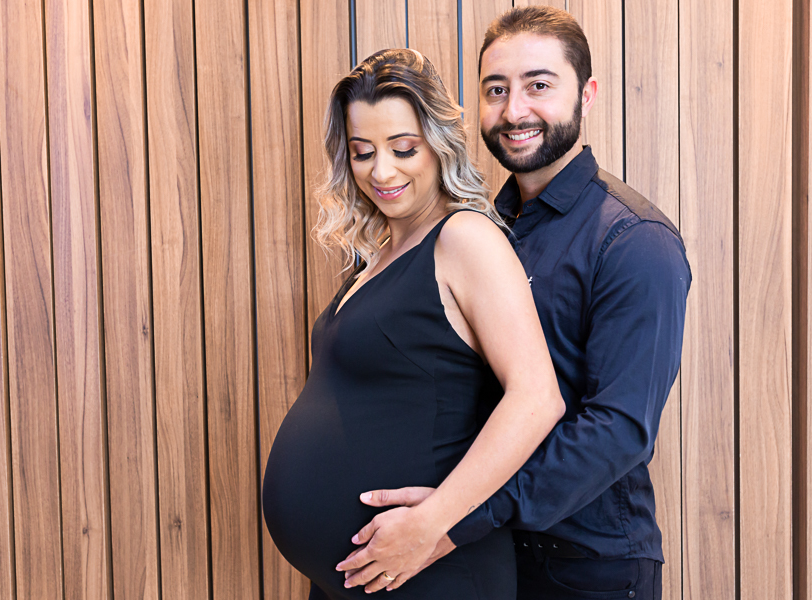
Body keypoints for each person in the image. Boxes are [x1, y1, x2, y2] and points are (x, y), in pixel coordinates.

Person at [338, 7, 691, 599]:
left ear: (587, 94)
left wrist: (455, 519)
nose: (514, 110)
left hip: (581, 568)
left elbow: (619, 428)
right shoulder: (480, 228)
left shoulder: (634, 240)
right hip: (481, 556)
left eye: (538, 86)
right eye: (496, 90)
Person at [261, 48, 565, 599]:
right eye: (363, 152)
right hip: (362, 577)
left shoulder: (465, 238)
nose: (382, 171)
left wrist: (432, 523)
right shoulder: (379, 253)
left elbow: (537, 398)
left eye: (403, 149)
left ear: (438, 144)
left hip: (430, 573)